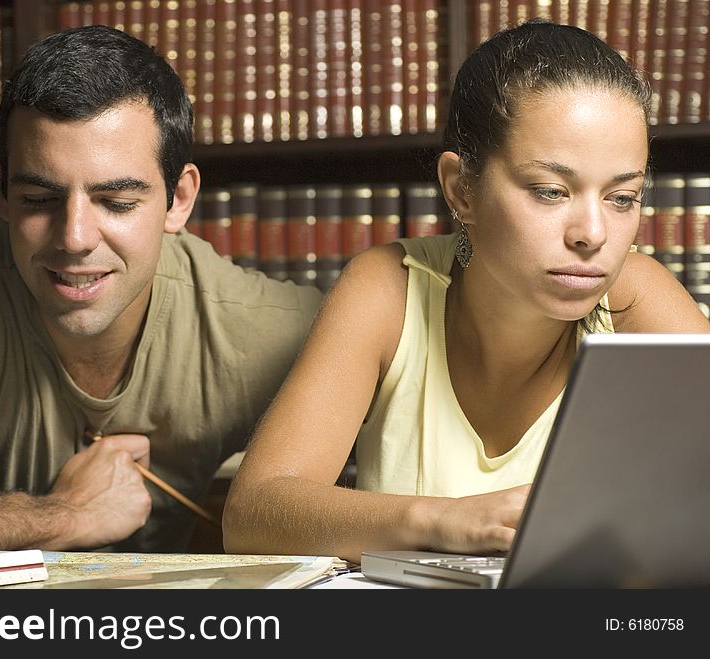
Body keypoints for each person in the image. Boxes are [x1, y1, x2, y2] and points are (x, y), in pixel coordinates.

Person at [0, 25, 321, 569]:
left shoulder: (266, 325)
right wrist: (64, 514)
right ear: (2, 188)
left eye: (116, 202)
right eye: (40, 198)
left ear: (179, 199)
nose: (74, 238)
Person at [222, 19, 710, 564]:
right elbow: (255, 512)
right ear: (462, 189)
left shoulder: (633, 298)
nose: (593, 234)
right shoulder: (389, 287)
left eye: (622, 198)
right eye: (551, 191)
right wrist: (449, 520)